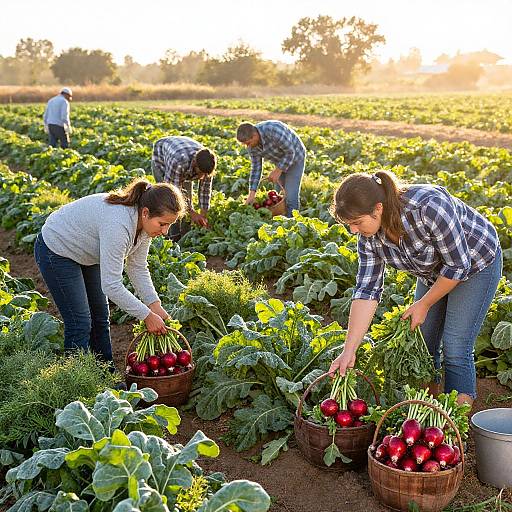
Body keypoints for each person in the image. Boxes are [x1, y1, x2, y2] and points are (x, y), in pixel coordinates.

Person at [328, 170, 501, 407]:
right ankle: (429, 408)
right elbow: (367, 290)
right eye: (349, 225)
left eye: (357, 223)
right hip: (434, 273)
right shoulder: (368, 238)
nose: (354, 231)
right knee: (423, 344)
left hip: (476, 262)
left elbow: (458, 266)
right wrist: (349, 350)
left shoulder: (429, 206)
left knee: (456, 346)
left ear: (378, 208)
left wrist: (425, 303)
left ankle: (455, 420)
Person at [34, 178, 187, 365]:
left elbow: (137, 267)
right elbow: (111, 285)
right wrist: (146, 315)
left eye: (169, 225)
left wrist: (154, 305)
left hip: (87, 252)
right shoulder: (118, 225)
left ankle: (105, 374)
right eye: (162, 224)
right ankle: (76, 380)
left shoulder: (145, 226)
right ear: (145, 213)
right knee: (80, 322)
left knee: (100, 318)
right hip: (57, 248)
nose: (165, 231)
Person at [151, 136, 216, 241]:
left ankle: (186, 235)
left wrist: (203, 216)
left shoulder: (207, 164)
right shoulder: (179, 162)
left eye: (205, 175)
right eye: (200, 173)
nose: (202, 177)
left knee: (187, 201)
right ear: (195, 164)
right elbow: (173, 192)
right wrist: (193, 213)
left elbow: (205, 191)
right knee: (170, 204)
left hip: (183, 156)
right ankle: (172, 238)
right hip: (162, 159)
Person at [236, 121, 306, 217]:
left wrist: (278, 170)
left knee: (290, 196)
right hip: (279, 160)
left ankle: (293, 223)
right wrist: (252, 194)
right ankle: (281, 222)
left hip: (296, 157)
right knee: (279, 197)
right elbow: (256, 168)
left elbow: (290, 152)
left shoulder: (273, 130)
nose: (247, 146)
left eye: (248, 143)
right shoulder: (252, 147)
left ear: (255, 135)